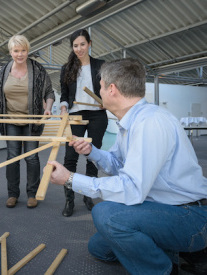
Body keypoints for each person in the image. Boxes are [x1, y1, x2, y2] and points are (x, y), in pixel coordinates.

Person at [48, 58, 207, 275]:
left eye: (101, 86)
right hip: (160, 206)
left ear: (111, 89)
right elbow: (116, 164)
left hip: (190, 215)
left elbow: (131, 188)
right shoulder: (130, 123)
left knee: (106, 215)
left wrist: (70, 179)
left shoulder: (150, 123)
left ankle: (166, 269)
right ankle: (176, 250)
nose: (99, 91)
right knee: (98, 247)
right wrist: (91, 151)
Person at [0, 34, 55, 209]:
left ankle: (32, 193)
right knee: (12, 158)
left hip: (32, 121)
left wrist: (47, 108)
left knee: (32, 158)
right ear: (11, 52)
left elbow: (49, 92)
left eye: (23, 50)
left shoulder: (38, 69)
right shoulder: (3, 72)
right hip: (10, 120)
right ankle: (13, 194)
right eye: (16, 50)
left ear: (28, 50)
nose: (20, 54)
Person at [59, 29, 108, 217]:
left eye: (82, 44)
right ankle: (69, 199)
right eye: (75, 45)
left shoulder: (101, 65)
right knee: (70, 156)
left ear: (89, 44)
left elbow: (107, 89)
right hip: (74, 114)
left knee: (93, 155)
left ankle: (89, 195)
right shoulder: (67, 68)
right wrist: (63, 108)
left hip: (97, 115)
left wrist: (106, 101)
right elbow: (64, 94)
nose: (79, 49)